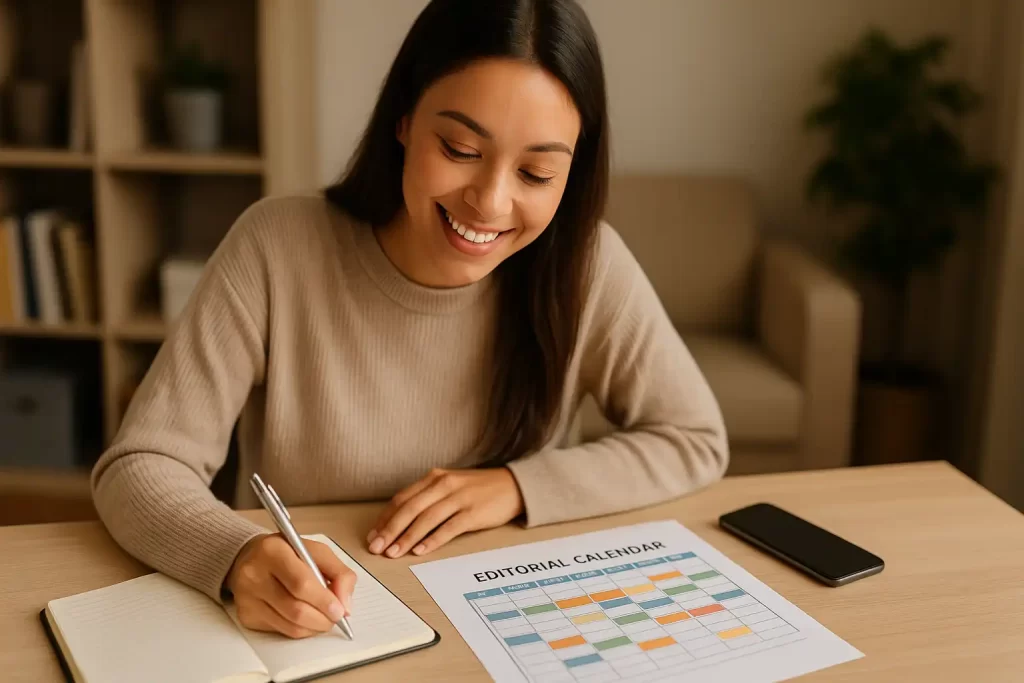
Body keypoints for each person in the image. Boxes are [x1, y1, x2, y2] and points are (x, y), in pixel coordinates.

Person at [90, 0, 728, 641]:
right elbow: (140, 464)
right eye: (460, 148)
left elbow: (693, 438)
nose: (490, 202)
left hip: (517, 628)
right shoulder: (277, 246)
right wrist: (235, 555)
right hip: (318, 630)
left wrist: (516, 487)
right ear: (403, 119)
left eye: (537, 173)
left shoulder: (586, 266)